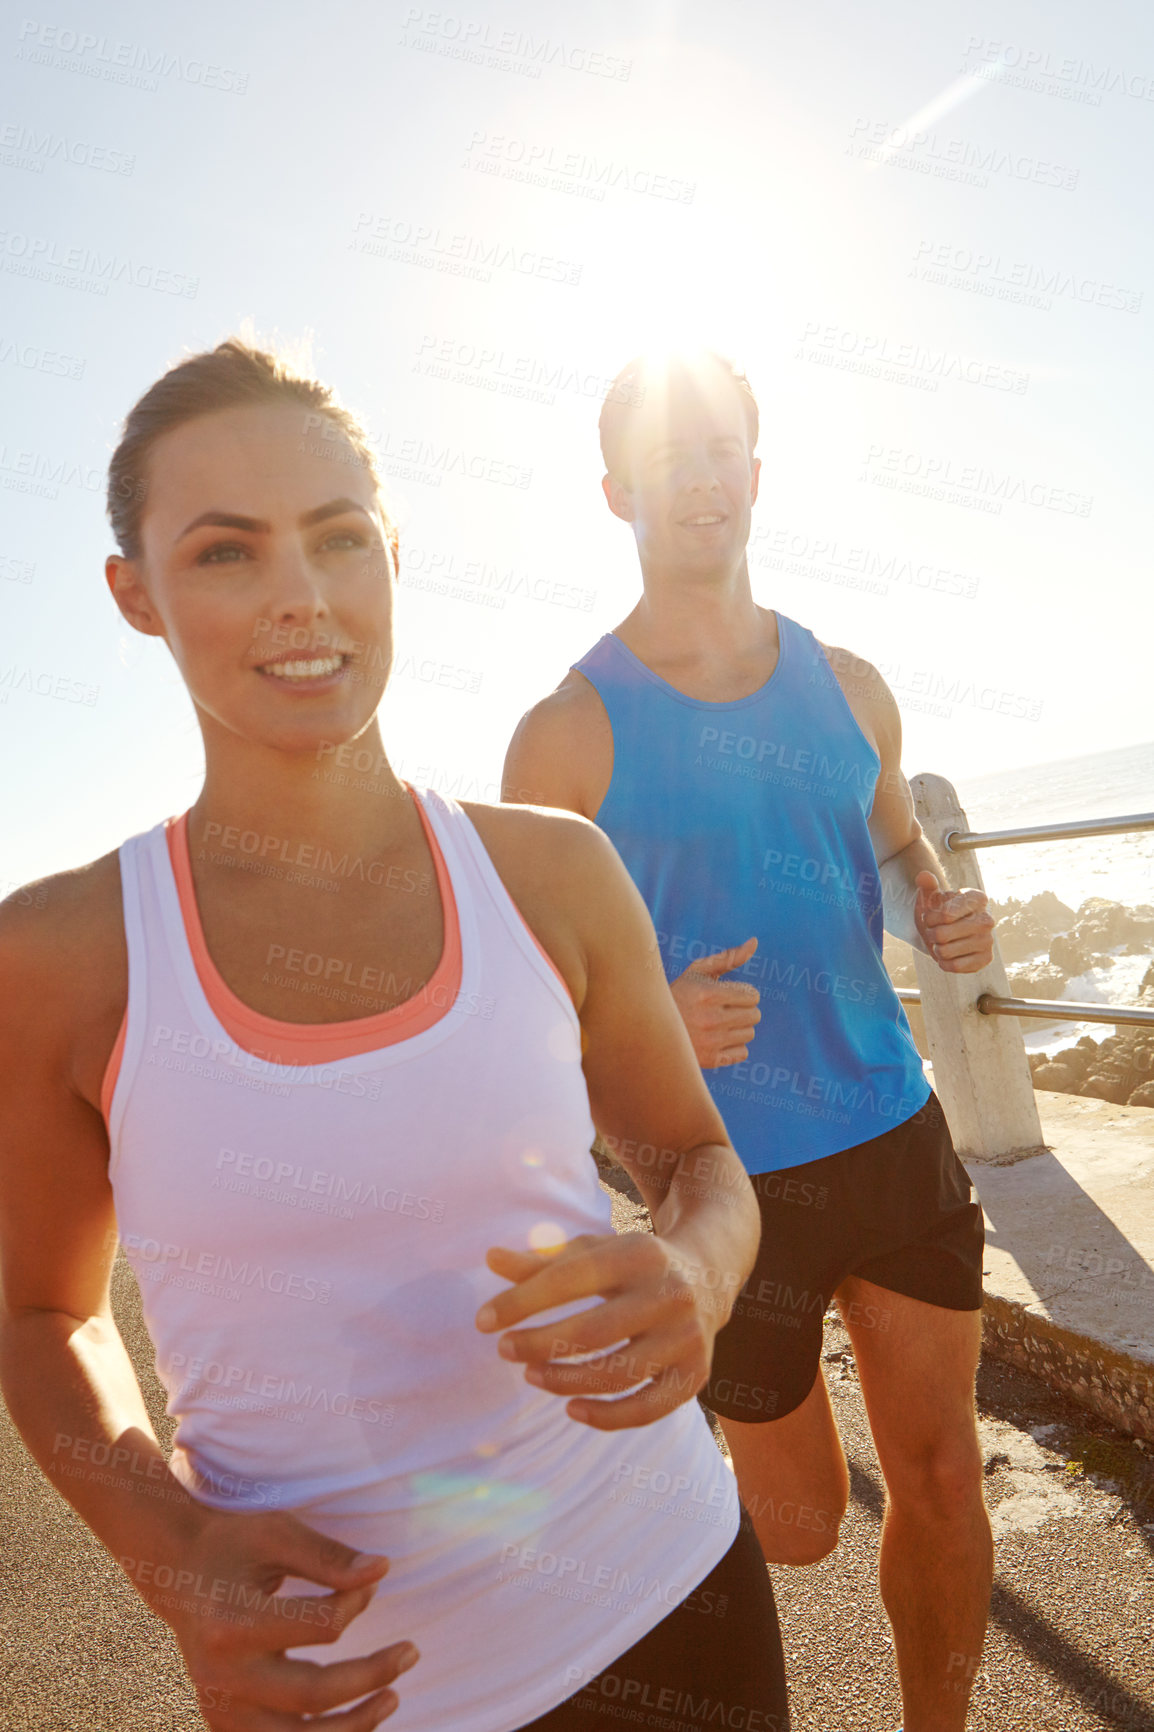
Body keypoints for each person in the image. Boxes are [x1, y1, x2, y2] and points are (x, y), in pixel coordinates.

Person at [0, 340, 791, 1732]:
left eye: (339, 537)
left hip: (670, 1589)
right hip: (341, 1691)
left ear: (393, 555)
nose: (302, 597)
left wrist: (696, 1274)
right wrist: (170, 1556)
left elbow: (695, 1162)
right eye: (226, 554)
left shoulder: (551, 872)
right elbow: (41, 1315)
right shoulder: (58, 953)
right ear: (136, 594)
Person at [502, 348, 997, 1732]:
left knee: (944, 1474)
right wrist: (648, 1016)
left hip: (893, 1133)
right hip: (722, 1183)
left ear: (756, 473)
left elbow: (893, 844)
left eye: (719, 447)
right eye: (665, 457)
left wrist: (933, 908)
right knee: (797, 1528)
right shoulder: (565, 733)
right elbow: (528, 999)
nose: (698, 478)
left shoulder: (848, 685)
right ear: (616, 493)